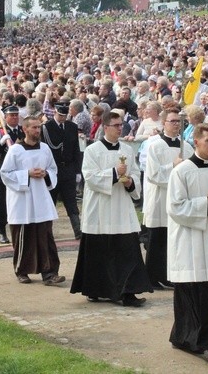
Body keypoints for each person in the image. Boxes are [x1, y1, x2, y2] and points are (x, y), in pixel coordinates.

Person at [71, 111, 153, 306]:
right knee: (99, 250)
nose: (119, 128)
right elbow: (90, 178)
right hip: (100, 207)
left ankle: (128, 292)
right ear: (105, 127)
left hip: (121, 206)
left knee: (127, 249)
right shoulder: (93, 150)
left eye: (120, 125)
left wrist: (130, 183)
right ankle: (96, 289)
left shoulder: (127, 149)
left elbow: (135, 175)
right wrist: (115, 173)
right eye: (115, 125)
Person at [166, 123, 208, 365]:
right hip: (189, 240)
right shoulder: (181, 171)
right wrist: (207, 201)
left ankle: (207, 340)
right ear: (196, 142)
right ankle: (188, 338)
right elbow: (175, 207)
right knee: (189, 292)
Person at [0, 115, 65, 285]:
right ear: (25, 129)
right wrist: (27, 174)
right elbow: (5, 173)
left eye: (39, 127)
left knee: (45, 236)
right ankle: (22, 270)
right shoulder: (15, 150)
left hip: (41, 198)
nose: (37, 130)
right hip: (22, 199)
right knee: (24, 236)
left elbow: (53, 168)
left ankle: (49, 272)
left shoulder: (44, 148)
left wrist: (46, 174)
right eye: (34, 127)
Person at [143, 106, 193, 289]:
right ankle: (152, 276)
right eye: (172, 121)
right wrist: (173, 166)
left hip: (178, 198)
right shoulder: (155, 145)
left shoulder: (186, 146)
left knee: (173, 239)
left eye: (179, 122)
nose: (176, 125)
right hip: (160, 197)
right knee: (157, 238)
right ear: (163, 123)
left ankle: (168, 275)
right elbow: (152, 174)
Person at [41, 102, 83, 239]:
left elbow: (76, 149)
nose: (62, 118)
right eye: (60, 115)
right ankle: (47, 232)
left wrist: (77, 171)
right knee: (50, 201)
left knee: (71, 201)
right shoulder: (46, 128)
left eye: (65, 116)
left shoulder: (72, 127)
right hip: (52, 169)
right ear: (55, 113)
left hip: (68, 169)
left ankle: (78, 230)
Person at [0, 105, 25, 244]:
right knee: (2, 204)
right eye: (12, 115)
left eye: (16, 115)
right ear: (6, 117)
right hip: (4, 173)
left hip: (20, 173)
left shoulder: (23, 130)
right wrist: (1, 142)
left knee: (20, 203)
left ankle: (19, 230)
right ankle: (1, 231)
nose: (15, 117)